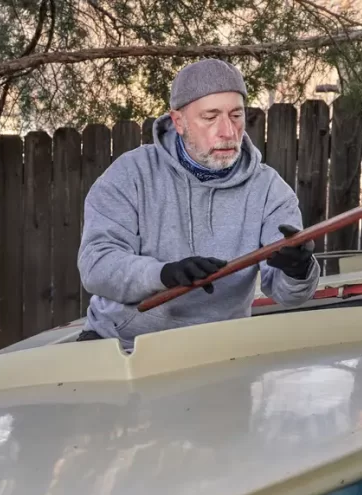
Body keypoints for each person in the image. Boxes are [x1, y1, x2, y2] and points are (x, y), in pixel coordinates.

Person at [75, 58, 320, 348]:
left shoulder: (269, 191)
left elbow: (290, 295)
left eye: (236, 115)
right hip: (123, 343)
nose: (228, 131)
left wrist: (298, 270)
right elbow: (96, 265)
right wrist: (162, 274)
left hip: (217, 350)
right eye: (210, 116)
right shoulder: (131, 175)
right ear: (178, 121)